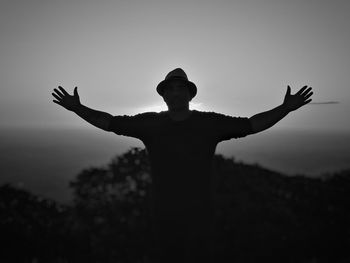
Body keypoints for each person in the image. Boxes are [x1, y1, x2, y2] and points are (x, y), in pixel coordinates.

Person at [52, 68, 313, 262]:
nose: (175, 92)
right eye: (170, 89)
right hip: (163, 216)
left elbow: (251, 125)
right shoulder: (149, 123)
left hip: (202, 216)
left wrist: (285, 109)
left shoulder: (210, 123)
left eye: (180, 88)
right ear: (164, 96)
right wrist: (78, 108)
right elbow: (109, 122)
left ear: (190, 94)